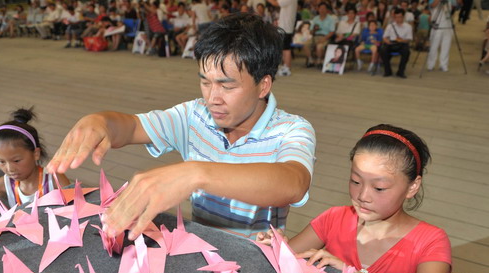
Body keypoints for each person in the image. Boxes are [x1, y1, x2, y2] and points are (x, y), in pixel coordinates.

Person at [46, 13, 315, 241]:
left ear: (263, 85)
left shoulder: (291, 130)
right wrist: (100, 122)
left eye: (227, 85)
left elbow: (294, 183)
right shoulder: (194, 116)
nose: (213, 98)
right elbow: (130, 127)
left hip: (256, 260)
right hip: (200, 249)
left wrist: (195, 173)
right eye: (205, 82)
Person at [257, 125, 452, 273]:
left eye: (379, 188)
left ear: (412, 187)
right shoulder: (334, 219)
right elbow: (284, 264)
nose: (363, 196)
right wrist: (275, 249)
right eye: (356, 181)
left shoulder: (431, 242)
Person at [266, 0, 297, 76]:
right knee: (284, 48)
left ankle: (287, 69)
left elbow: (275, 3)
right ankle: (285, 67)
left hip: (286, 27)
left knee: (286, 48)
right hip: (285, 26)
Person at [426, 0, 458, 72]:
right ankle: (431, 64)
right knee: (434, 46)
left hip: (448, 25)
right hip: (437, 26)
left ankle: (443, 65)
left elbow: (458, 3)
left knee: (446, 47)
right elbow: (432, 5)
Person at [380, 8, 412, 78]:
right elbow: (384, 37)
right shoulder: (390, 26)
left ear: (403, 17)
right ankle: (387, 71)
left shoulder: (408, 27)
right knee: (383, 50)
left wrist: (402, 41)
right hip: (391, 43)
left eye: (399, 17)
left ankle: (400, 71)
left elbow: (409, 39)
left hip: (402, 43)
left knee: (406, 51)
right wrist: (386, 41)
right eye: (396, 17)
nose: (397, 19)